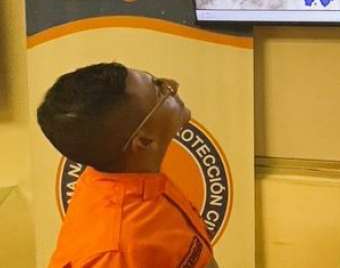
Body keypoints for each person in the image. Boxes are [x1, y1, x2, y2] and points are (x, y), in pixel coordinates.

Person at [37, 63, 219, 268]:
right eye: (160, 90)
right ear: (143, 141)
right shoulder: (113, 255)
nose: (173, 85)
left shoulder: (136, 178)